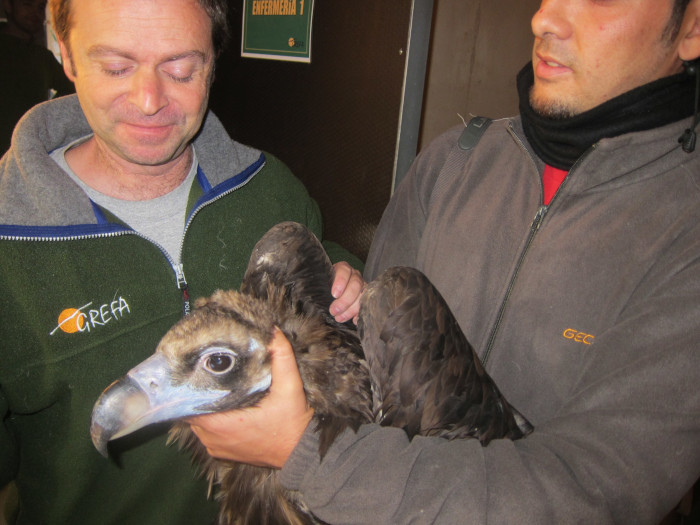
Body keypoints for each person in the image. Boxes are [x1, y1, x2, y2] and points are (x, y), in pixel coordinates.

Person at [189, 0, 700, 523]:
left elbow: (595, 493)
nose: (545, 20)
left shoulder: (687, 234)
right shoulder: (454, 159)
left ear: (692, 28)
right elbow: (376, 384)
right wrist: (343, 311)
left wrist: (312, 456)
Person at [0, 0, 364, 523]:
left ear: (213, 63)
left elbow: (324, 284)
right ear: (68, 57)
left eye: (180, 68)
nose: (150, 100)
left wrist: (347, 282)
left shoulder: (269, 189)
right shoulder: (9, 248)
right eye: (116, 66)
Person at [0, 0, 74, 155]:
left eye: (40, 7)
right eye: (27, 4)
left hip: (29, 150)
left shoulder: (41, 57)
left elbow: (71, 87)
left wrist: (46, 115)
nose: (35, 13)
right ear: (8, 5)